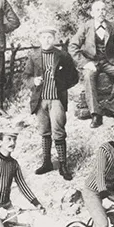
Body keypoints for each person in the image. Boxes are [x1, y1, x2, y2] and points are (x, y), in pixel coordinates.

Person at [72, 0, 114, 127]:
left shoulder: (112, 27)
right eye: (97, 10)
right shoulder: (86, 27)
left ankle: (111, 108)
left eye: (103, 9)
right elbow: (72, 46)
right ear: (92, 13)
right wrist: (85, 63)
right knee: (88, 76)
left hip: (108, 61)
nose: (101, 12)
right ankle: (95, 114)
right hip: (91, 62)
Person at [29, 29, 78, 178]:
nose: (46, 40)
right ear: (39, 39)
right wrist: (33, 81)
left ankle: (63, 165)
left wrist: (62, 86)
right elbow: (26, 76)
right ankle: (47, 163)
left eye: (49, 37)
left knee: (58, 130)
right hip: (40, 100)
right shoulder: (33, 56)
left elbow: (74, 76)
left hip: (56, 98)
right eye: (43, 37)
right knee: (44, 131)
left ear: (54, 38)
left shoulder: (62, 56)